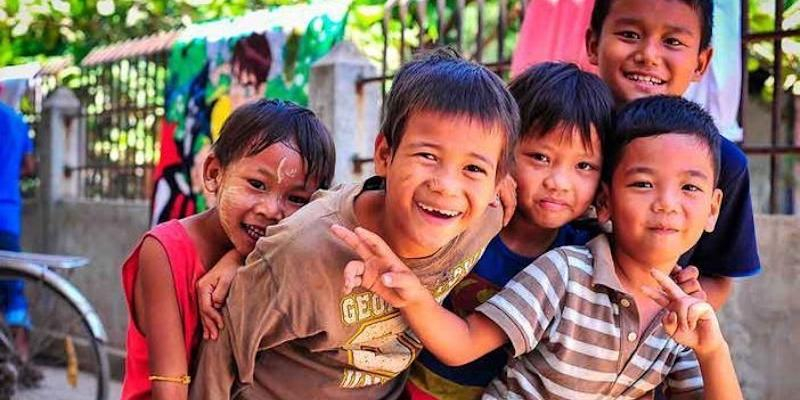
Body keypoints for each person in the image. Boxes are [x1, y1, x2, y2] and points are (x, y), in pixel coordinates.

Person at [342, 96, 744, 400]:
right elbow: (463, 344)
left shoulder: (685, 314)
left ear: (712, 210)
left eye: (689, 187)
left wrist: (713, 350)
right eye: (643, 183)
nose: (667, 204)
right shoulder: (566, 271)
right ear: (604, 201)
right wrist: (411, 293)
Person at [189, 47, 520, 400]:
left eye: (473, 169)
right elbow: (221, 348)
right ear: (384, 155)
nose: (446, 186)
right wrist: (239, 260)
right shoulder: (305, 252)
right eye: (428, 156)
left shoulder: (488, 213)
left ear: (497, 183)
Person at [406, 62, 615, 399]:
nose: (558, 183)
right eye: (540, 157)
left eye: (584, 166)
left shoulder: (586, 254)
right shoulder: (463, 220)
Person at [121, 99, 336, 400]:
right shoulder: (165, 252)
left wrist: (239, 259)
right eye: (257, 185)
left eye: (297, 199)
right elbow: (169, 387)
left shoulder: (286, 254)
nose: (272, 210)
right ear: (213, 173)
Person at [585, 0, 761, 309]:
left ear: (701, 63)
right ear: (593, 43)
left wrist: (655, 318)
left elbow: (717, 277)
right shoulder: (560, 139)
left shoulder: (723, 164)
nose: (648, 55)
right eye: (629, 34)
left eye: (673, 42)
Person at [0, 95, 38, 384]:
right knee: (14, 287)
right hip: (7, 214)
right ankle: (22, 358)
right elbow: (29, 166)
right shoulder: (16, 120)